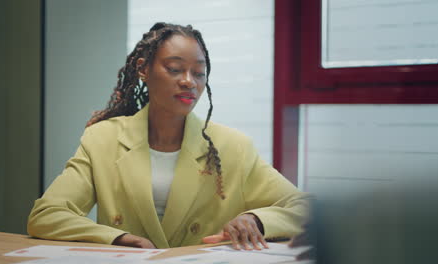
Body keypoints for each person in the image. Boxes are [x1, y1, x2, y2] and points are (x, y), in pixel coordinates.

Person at [27, 22, 311, 250]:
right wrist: (118, 238)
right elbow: (47, 215)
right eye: (175, 69)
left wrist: (257, 219)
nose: (189, 82)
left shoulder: (232, 146)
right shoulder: (101, 139)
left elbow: (304, 207)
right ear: (143, 69)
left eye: (199, 73)